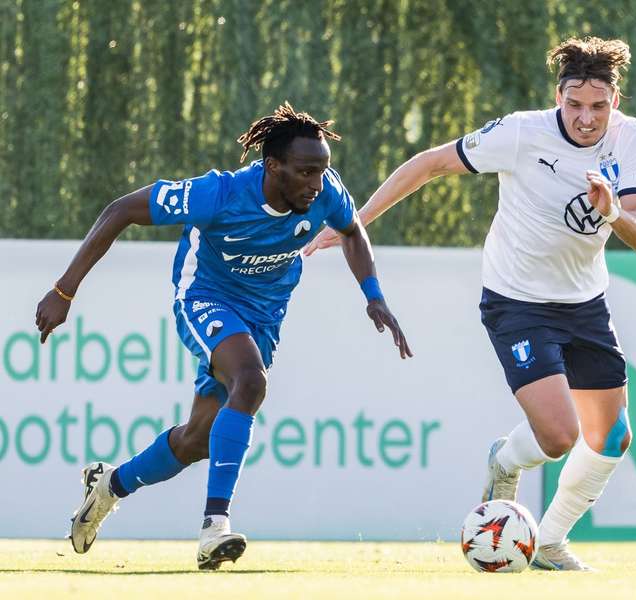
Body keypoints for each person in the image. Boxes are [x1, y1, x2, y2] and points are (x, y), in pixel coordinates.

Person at [305, 37, 636, 571]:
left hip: (585, 301)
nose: (586, 118)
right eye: (575, 104)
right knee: (559, 436)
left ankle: (551, 542)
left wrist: (611, 213)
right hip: (516, 301)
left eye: (599, 106)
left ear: (616, 101)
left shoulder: (630, 139)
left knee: (611, 437)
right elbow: (428, 164)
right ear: (558, 97)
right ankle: (504, 458)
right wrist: (357, 223)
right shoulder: (521, 132)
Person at [34, 102, 412, 570]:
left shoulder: (325, 192)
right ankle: (215, 526)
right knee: (250, 382)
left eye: (322, 171)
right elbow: (121, 210)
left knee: (197, 440)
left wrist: (372, 294)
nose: (317, 184)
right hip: (204, 296)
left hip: (264, 315)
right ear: (272, 167)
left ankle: (109, 486)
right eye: (306, 172)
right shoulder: (219, 194)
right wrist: (63, 291)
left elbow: (352, 230)